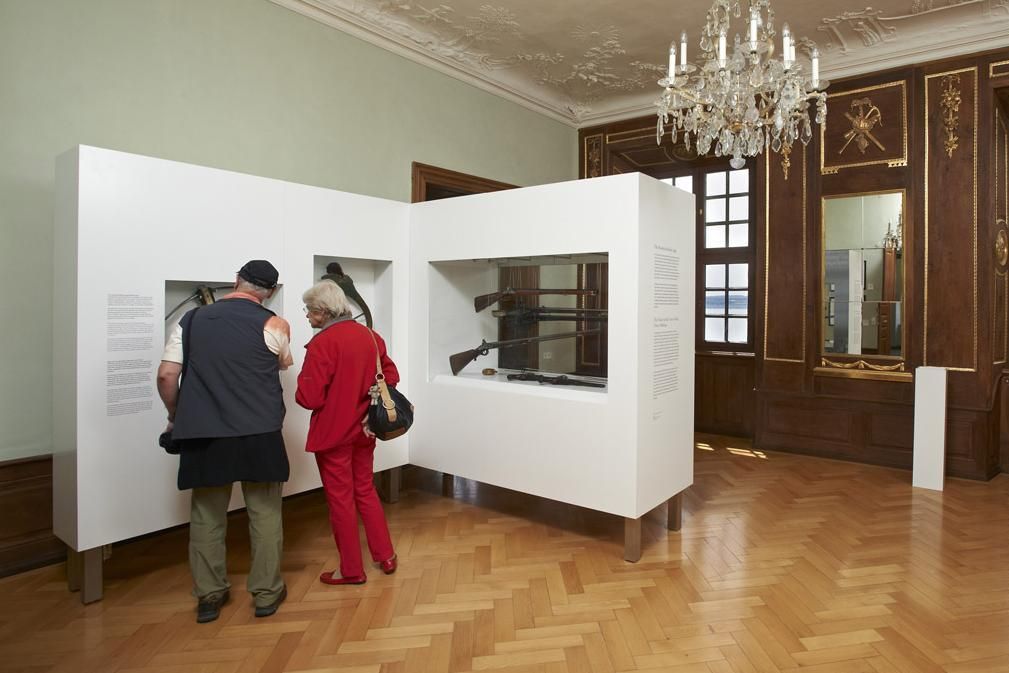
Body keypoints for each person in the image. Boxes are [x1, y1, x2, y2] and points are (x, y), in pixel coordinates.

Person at [156, 260, 293, 623]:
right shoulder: (274, 323)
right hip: (259, 431)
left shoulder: (191, 321)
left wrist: (175, 415)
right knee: (265, 515)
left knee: (206, 517)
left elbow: (168, 374)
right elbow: (283, 364)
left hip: (204, 431)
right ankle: (266, 594)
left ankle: (209, 596)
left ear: (236, 281)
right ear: (272, 291)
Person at [296, 280, 398, 585]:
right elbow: (390, 375)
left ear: (325, 312)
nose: (307, 316)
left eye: (310, 311)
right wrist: (369, 398)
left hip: (334, 433)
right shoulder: (370, 336)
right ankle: (386, 556)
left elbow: (309, 398)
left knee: (341, 500)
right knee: (365, 490)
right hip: (366, 429)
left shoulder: (322, 344)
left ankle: (351, 570)